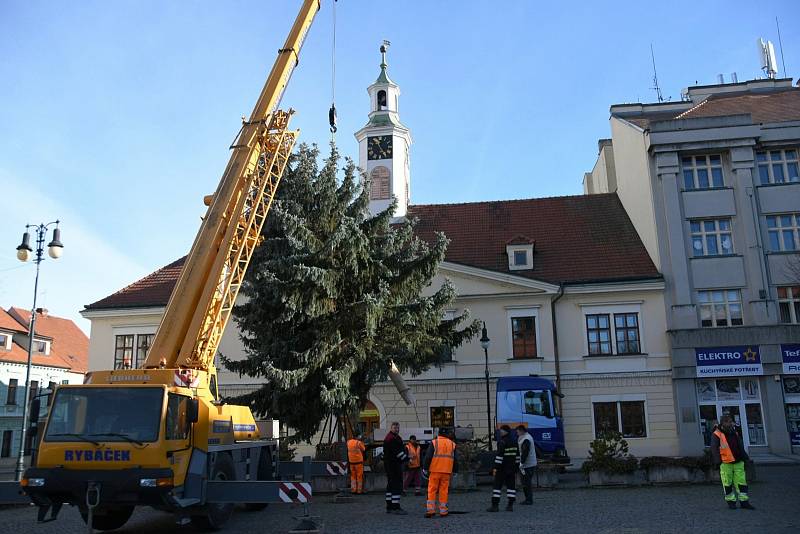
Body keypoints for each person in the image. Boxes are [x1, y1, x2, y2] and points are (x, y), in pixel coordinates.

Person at [711, 415, 754, 510]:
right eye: (728, 422)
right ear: (723, 423)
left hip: (738, 461)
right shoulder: (717, 434)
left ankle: (744, 502)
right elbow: (714, 449)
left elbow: (740, 445)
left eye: (731, 421)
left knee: (741, 483)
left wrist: (745, 458)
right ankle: (731, 502)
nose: (730, 423)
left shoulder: (734, 432)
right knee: (727, 483)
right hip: (726, 463)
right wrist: (718, 462)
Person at [422, 427, 458, 518]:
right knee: (444, 491)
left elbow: (428, 457)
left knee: (432, 490)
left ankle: (431, 511)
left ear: (439, 434)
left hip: (435, 470)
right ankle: (443, 511)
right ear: (447, 434)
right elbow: (455, 459)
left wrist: (425, 468)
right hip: (446, 471)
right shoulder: (452, 444)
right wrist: (455, 470)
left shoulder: (434, 442)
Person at [487, 425, 519, 512]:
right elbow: (517, 456)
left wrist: (495, 468)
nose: (500, 432)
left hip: (502, 468)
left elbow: (499, 457)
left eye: (502, 431)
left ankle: (495, 506)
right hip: (511, 468)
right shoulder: (515, 442)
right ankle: (510, 505)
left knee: (497, 487)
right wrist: (516, 467)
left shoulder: (502, 442)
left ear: (506, 432)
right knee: (511, 487)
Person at [383, 421, 408, 514]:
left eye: (397, 428)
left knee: (390, 485)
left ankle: (389, 506)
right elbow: (398, 452)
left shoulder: (389, 437)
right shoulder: (392, 439)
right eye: (395, 428)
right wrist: (407, 459)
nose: (397, 429)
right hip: (394, 465)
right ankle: (395, 506)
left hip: (389, 465)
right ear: (391, 428)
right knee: (396, 485)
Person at [516, 425, 537, 505]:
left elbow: (525, 452)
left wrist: (522, 463)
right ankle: (528, 499)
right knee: (526, 482)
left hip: (527, 465)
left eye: (517, 432)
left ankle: (528, 500)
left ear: (521, 431)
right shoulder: (527, 437)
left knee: (526, 483)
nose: (517, 433)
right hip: (529, 464)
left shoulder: (526, 439)